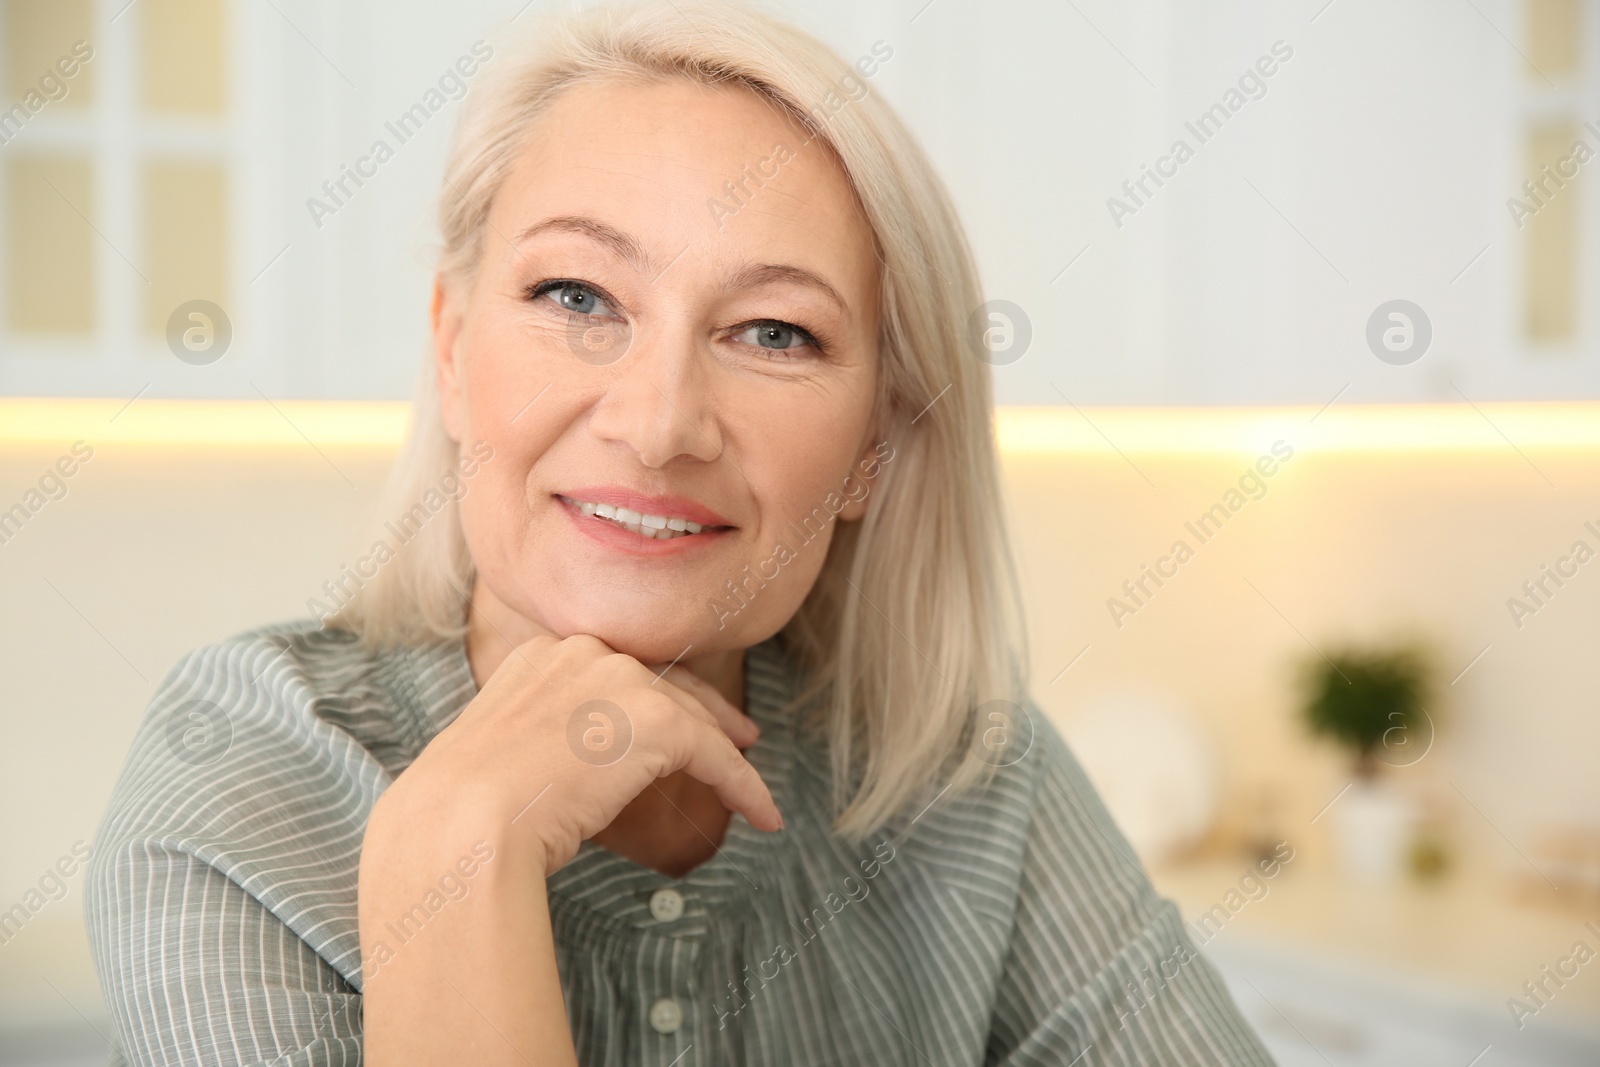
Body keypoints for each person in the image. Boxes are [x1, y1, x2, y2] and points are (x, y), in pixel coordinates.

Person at [86, 3, 1277, 1063]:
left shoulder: (965, 774)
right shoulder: (246, 769)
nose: (657, 426)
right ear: (451, 350)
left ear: (873, 443)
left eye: (772, 332)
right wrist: (458, 853)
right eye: (576, 297)